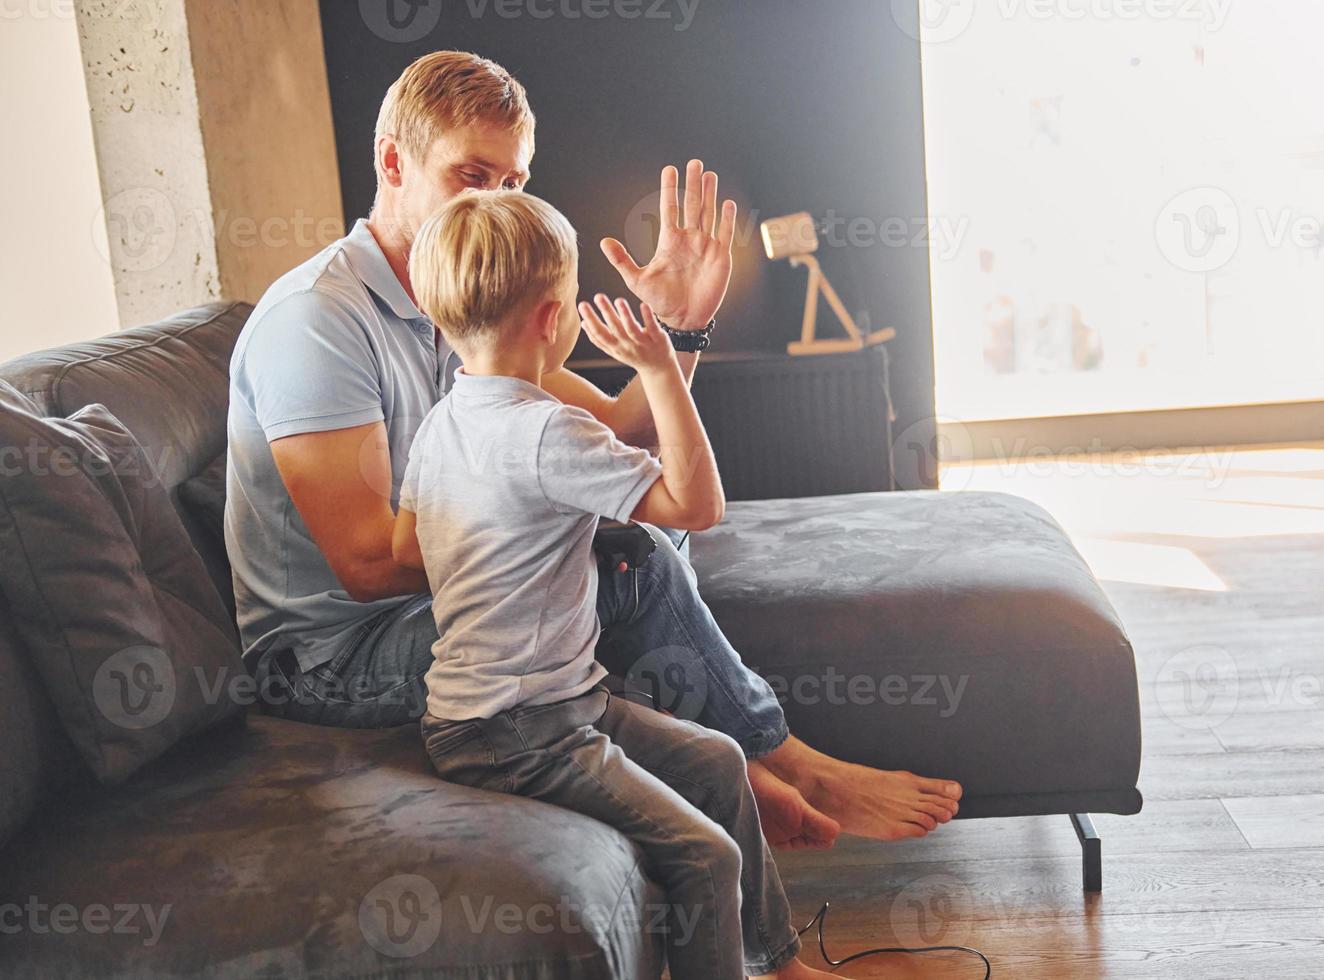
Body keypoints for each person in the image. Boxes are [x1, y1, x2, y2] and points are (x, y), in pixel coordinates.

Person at [225, 49, 963, 848]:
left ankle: (737, 764)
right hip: (328, 658)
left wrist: (678, 330)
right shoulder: (318, 322)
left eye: (514, 184)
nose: (498, 203)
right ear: (394, 161)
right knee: (629, 556)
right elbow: (368, 565)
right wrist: (560, 527)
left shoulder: (468, 297)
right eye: (472, 176)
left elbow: (614, 426)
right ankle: (776, 757)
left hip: (429, 608)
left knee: (641, 535)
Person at [394, 189, 839, 980]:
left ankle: (779, 962)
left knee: (722, 763)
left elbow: (409, 541)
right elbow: (698, 507)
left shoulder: (445, 421)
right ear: (551, 319)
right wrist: (661, 368)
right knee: (705, 855)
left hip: (531, 706)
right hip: (516, 731)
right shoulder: (544, 429)